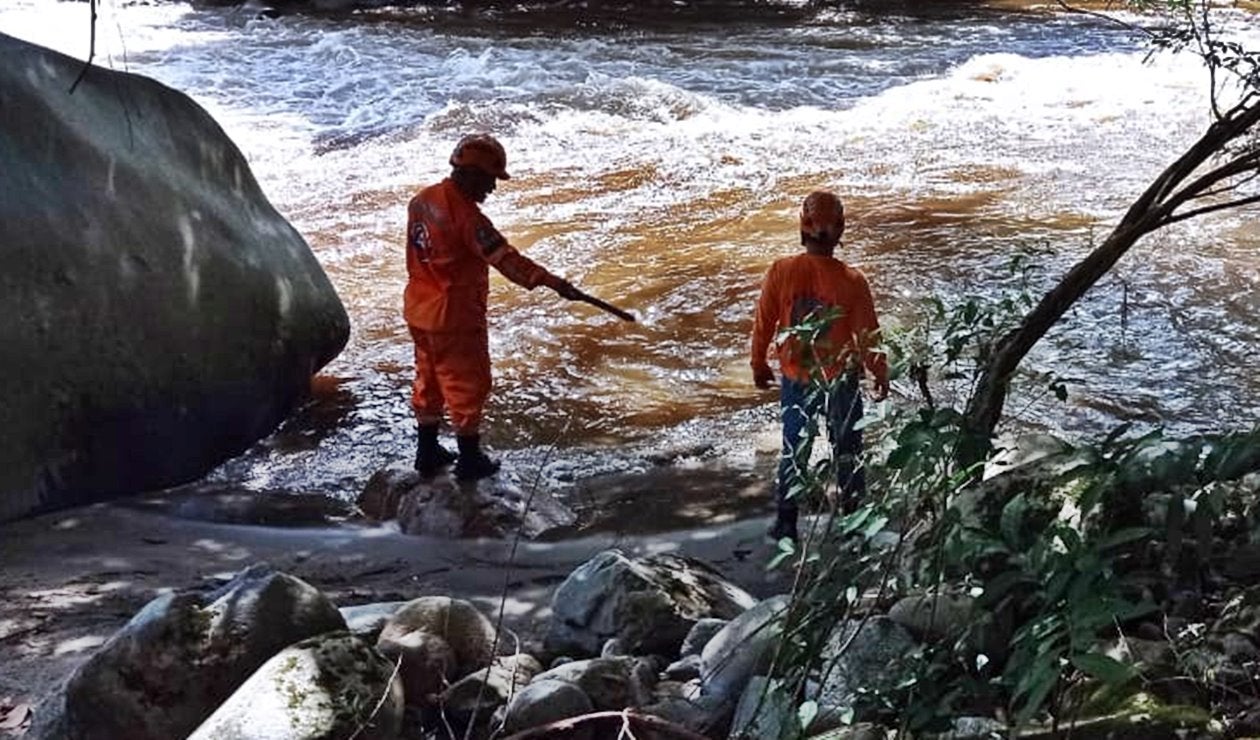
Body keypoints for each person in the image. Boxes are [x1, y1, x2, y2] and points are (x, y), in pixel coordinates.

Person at [404, 133, 581, 481]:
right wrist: (553, 283)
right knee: (467, 383)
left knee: (429, 379)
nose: (492, 189)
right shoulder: (469, 220)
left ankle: (427, 450)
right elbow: (507, 261)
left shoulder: (422, 200)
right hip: (454, 316)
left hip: (419, 309)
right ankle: (469, 459)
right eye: (489, 180)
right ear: (469, 173)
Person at [750, 190, 890, 543]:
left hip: (797, 379)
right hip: (840, 382)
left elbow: (763, 322)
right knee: (848, 451)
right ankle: (854, 525)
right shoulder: (853, 281)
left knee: (794, 451)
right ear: (840, 231)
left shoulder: (781, 271)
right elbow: (868, 335)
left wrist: (758, 362)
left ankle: (785, 525)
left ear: (802, 228)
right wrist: (880, 371)